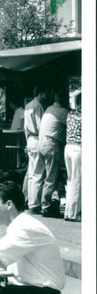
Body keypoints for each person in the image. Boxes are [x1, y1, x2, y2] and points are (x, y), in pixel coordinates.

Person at [24, 87, 48, 212]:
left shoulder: (28, 105)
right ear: (41, 93)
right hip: (38, 138)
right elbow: (40, 126)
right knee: (38, 173)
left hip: (30, 140)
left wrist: (27, 142)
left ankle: (29, 200)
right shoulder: (38, 106)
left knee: (31, 173)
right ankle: (34, 204)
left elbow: (25, 128)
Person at [64, 91, 81, 221]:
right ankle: (74, 213)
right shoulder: (84, 115)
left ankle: (68, 211)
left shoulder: (70, 114)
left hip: (68, 147)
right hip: (78, 148)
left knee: (70, 180)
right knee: (77, 181)